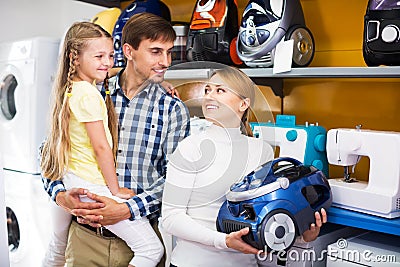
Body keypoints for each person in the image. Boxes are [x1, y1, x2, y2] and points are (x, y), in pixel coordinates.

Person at [41, 13, 190, 266]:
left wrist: (126, 209)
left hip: (136, 239)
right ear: (128, 51)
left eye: (169, 52)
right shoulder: (93, 90)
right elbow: (50, 150)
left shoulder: (172, 108)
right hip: (83, 241)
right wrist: (60, 195)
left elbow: (177, 181)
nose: (165, 62)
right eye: (156, 52)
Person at [161, 66, 327, 267]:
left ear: (243, 104)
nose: (209, 96)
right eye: (207, 90)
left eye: (219, 90)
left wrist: (302, 235)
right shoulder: (190, 147)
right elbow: (171, 218)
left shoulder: (262, 151)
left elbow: (268, 215)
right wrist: (223, 241)